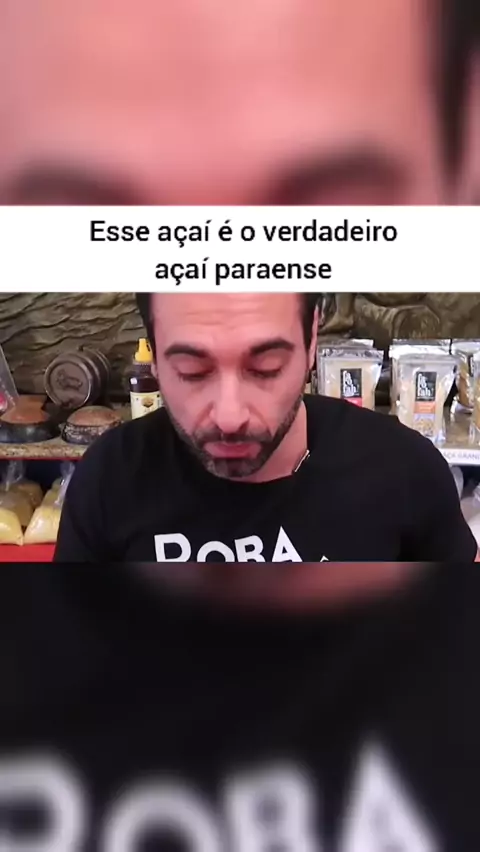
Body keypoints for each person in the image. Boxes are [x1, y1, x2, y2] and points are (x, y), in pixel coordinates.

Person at [55, 291, 478, 563]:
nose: (229, 416)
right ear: (154, 356)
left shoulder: (405, 471)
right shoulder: (110, 479)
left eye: (266, 367)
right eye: (192, 371)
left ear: (311, 340)